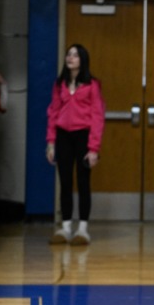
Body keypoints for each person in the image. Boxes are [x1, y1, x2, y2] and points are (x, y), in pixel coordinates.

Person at [46, 44, 105, 245]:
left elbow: (97, 116)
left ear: (82, 60)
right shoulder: (59, 84)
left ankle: (83, 229)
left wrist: (93, 148)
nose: (70, 58)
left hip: (83, 136)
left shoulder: (92, 85)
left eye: (75, 55)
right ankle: (65, 227)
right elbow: (53, 112)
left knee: (83, 182)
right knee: (65, 182)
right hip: (63, 136)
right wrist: (51, 142)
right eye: (68, 54)